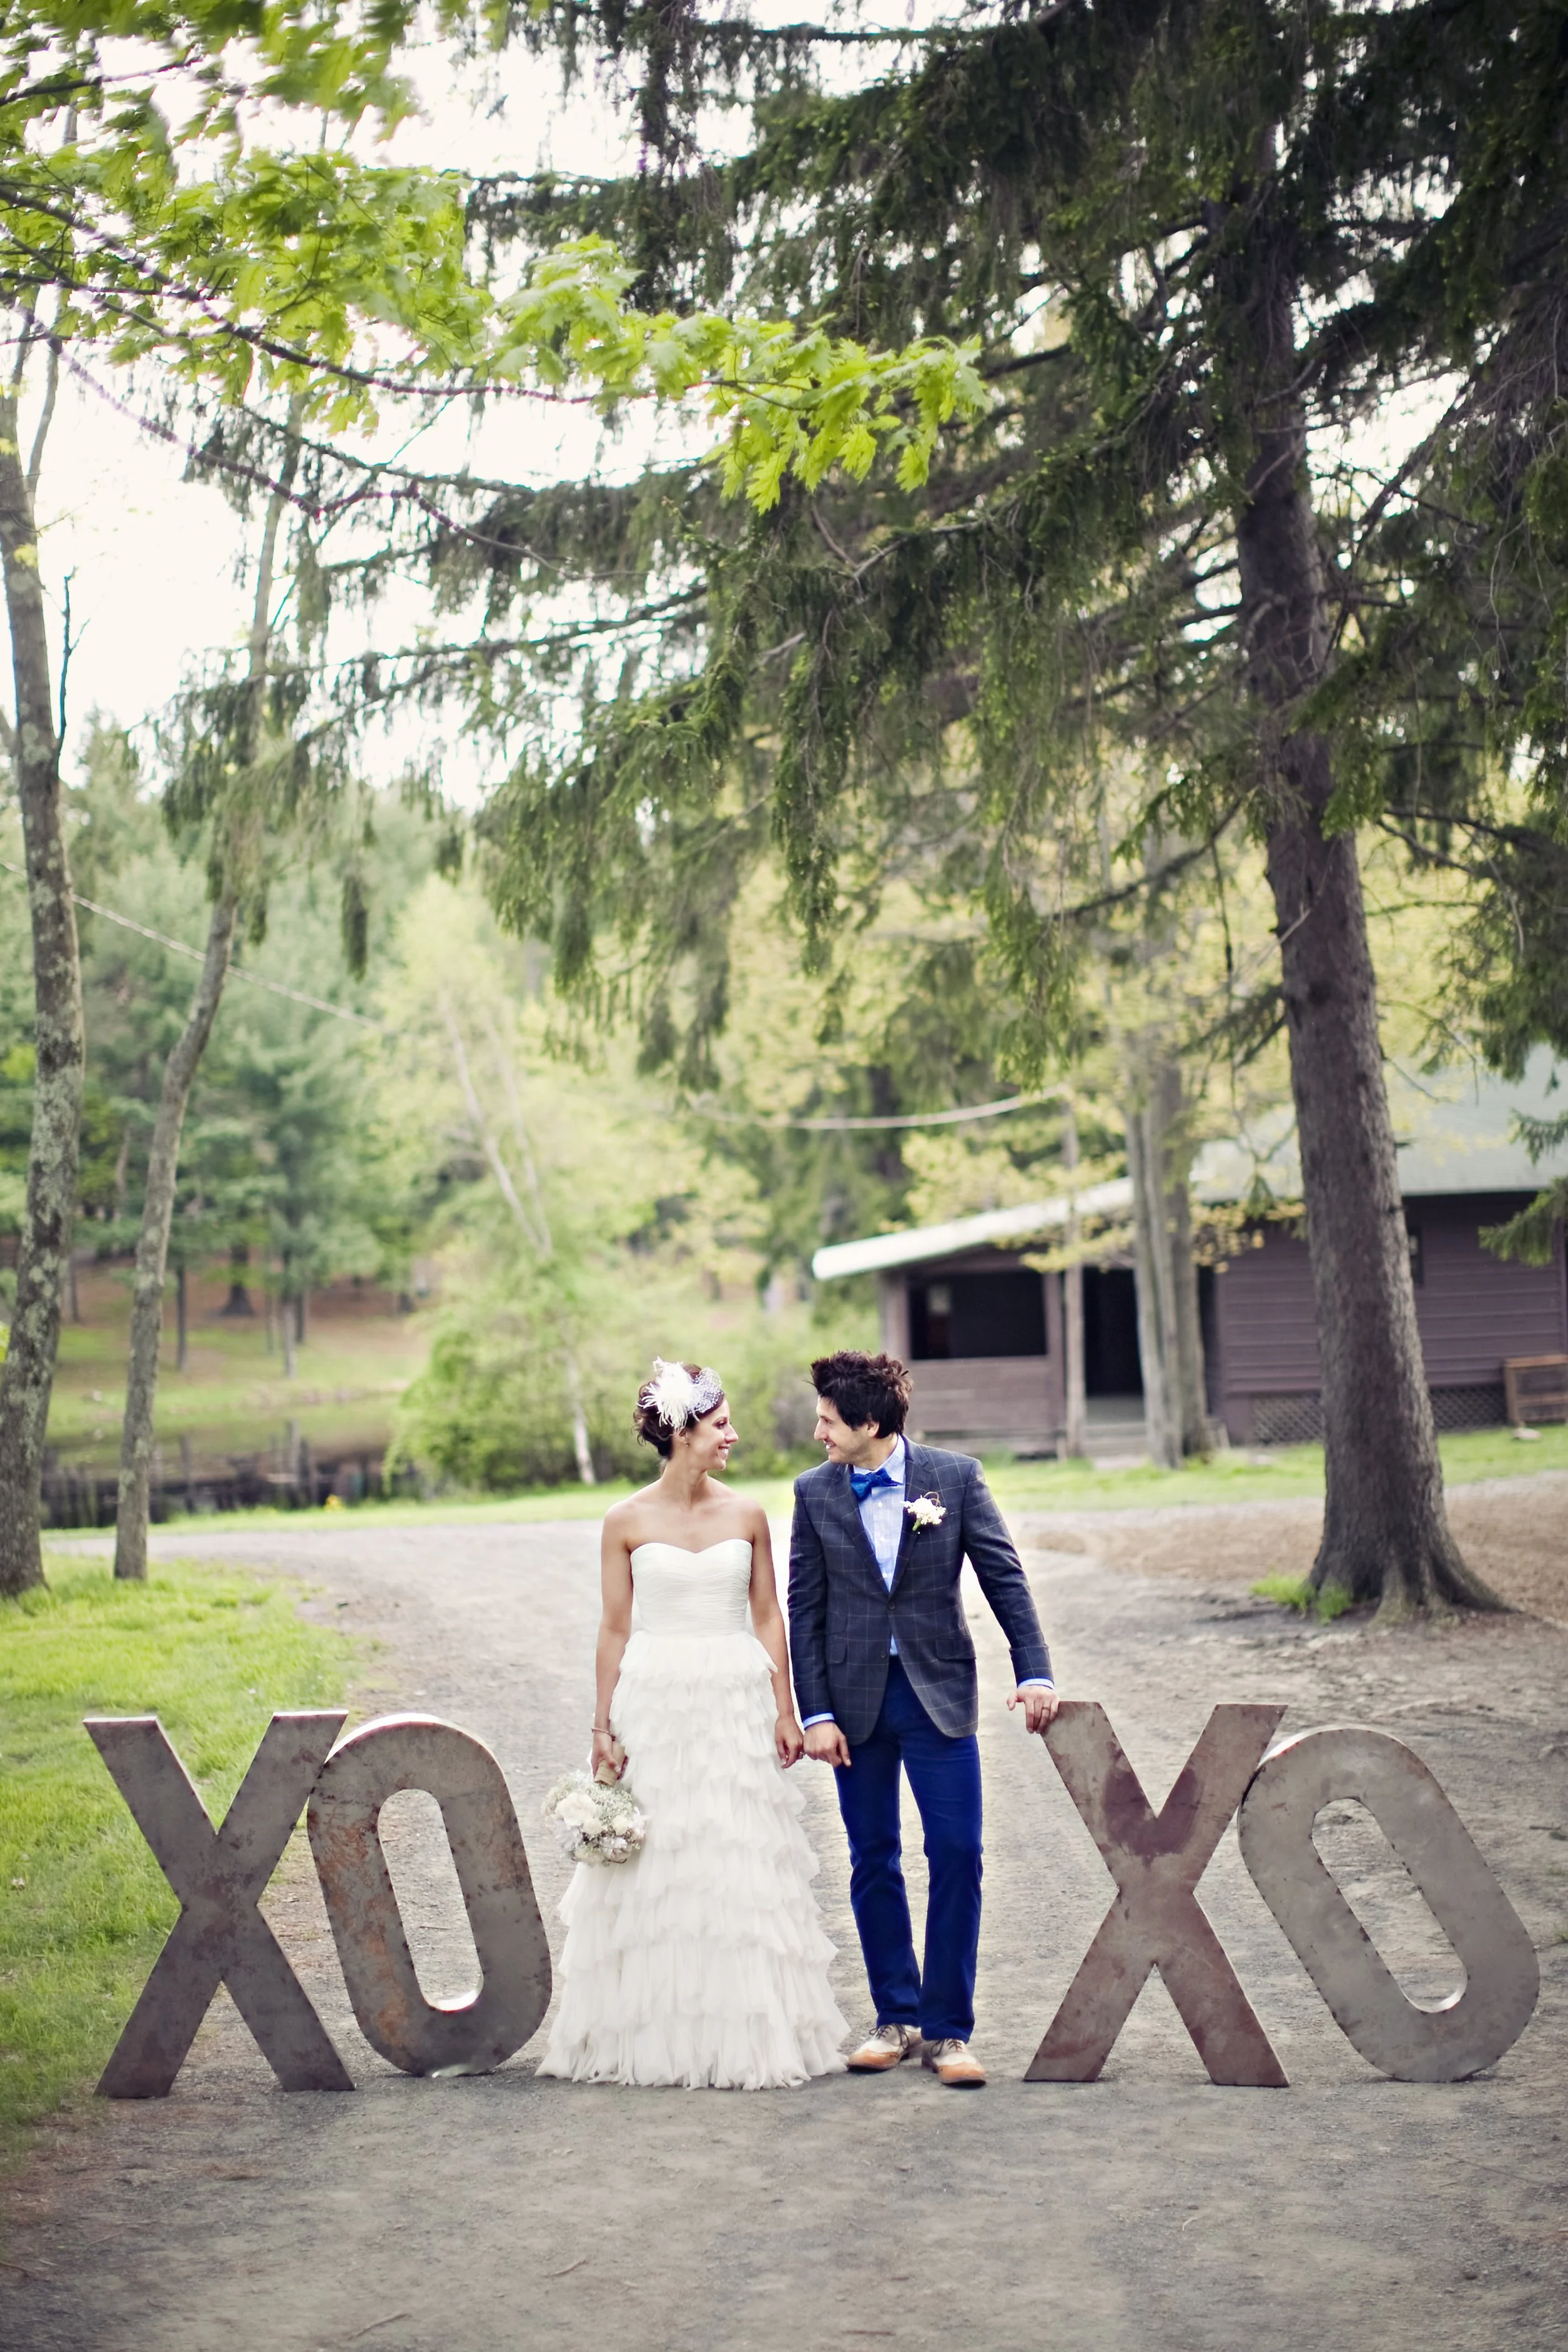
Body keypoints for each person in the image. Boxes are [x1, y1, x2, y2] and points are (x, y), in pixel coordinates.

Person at [538, 1359, 847, 2090]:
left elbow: (768, 1613)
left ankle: (745, 2031)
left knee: (736, 1853)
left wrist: (785, 1708)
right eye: (719, 1426)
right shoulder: (625, 1520)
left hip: (733, 1696)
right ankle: (650, 2034)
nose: (731, 1436)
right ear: (681, 1434)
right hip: (657, 1697)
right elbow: (613, 1630)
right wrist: (600, 1728)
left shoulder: (745, 1514)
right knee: (661, 1861)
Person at [788, 1349, 1059, 2088]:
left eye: (827, 1421)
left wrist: (1033, 1670)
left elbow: (1004, 1576)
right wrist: (815, 1713)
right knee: (872, 1857)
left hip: (938, 1696)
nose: (818, 1433)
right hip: (853, 1707)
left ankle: (947, 2032)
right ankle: (894, 2018)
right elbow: (803, 1609)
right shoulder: (812, 1493)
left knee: (957, 1853)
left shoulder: (955, 1478)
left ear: (869, 1423)